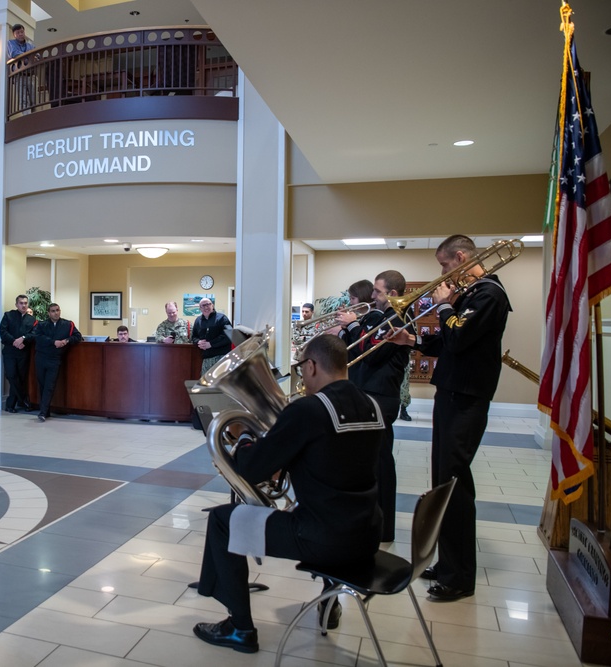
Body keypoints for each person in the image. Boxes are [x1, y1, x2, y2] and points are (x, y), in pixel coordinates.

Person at [192, 335, 384, 653]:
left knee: (223, 520)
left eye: (301, 368)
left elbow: (253, 470)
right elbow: (339, 461)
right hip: (367, 535)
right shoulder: (373, 406)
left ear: (311, 366)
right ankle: (329, 600)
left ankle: (239, 629)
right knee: (323, 515)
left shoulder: (309, 410)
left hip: (322, 538)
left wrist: (242, 437)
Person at [389, 234, 511, 602]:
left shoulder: (489, 294)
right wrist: (412, 341)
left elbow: (458, 338)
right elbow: (448, 343)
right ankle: (446, 563)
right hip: (452, 394)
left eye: (444, 264)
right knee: (443, 481)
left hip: (467, 398)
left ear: (459, 257)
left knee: (455, 486)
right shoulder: (471, 295)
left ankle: (460, 577)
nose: (442, 273)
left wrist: (444, 307)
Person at [337, 270, 413, 543]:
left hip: (380, 397)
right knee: (370, 463)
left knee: (380, 463)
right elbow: (359, 350)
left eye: (378, 292)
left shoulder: (397, 318)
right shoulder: (387, 318)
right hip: (371, 394)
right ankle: (371, 522)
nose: (373, 296)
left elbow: (373, 354)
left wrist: (353, 325)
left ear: (393, 294)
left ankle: (383, 527)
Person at [33, 303, 82, 422]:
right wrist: (53, 342)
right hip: (41, 357)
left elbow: (78, 336)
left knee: (49, 385)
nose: (56, 313)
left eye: (57, 310)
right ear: (49, 313)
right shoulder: (41, 324)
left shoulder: (67, 324)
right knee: (42, 385)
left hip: (55, 359)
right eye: (53, 311)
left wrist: (66, 340)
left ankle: (42, 412)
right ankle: (46, 410)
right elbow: (38, 337)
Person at [0, 294, 37, 413]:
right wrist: (15, 341)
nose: (24, 305)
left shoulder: (32, 319)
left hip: (23, 351)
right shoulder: (8, 315)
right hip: (10, 351)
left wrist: (23, 338)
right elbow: (3, 331)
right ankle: (24, 400)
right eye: (21, 303)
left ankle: (10, 405)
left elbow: (34, 334)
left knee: (21, 378)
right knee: (11, 376)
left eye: (25, 303)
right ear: (16, 304)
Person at [191, 298, 232, 375]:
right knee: (206, 383)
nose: (206, 307)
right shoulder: (198, 321)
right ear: (200, 308)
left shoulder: (222, 318)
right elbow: (194, 337)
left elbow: (229, 336)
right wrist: (198, 342)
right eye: (203, 305)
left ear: (212, 305)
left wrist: (211, 344)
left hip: (221, 357)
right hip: (206, 358)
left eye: (208, 304)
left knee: (220, 383)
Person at [7, 24, 35, 114]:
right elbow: (14, 53)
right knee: (23, 99)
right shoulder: (10, 43)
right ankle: (26, 118)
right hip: (19, 75)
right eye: (18, 32)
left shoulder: (30, 46)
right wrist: (28, 56)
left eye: (22, 32)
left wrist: (25, 56)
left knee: (33, 99)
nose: (20, 34)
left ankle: (34, 117)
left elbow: (37, 56)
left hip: (31, 74)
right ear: (14, 34)